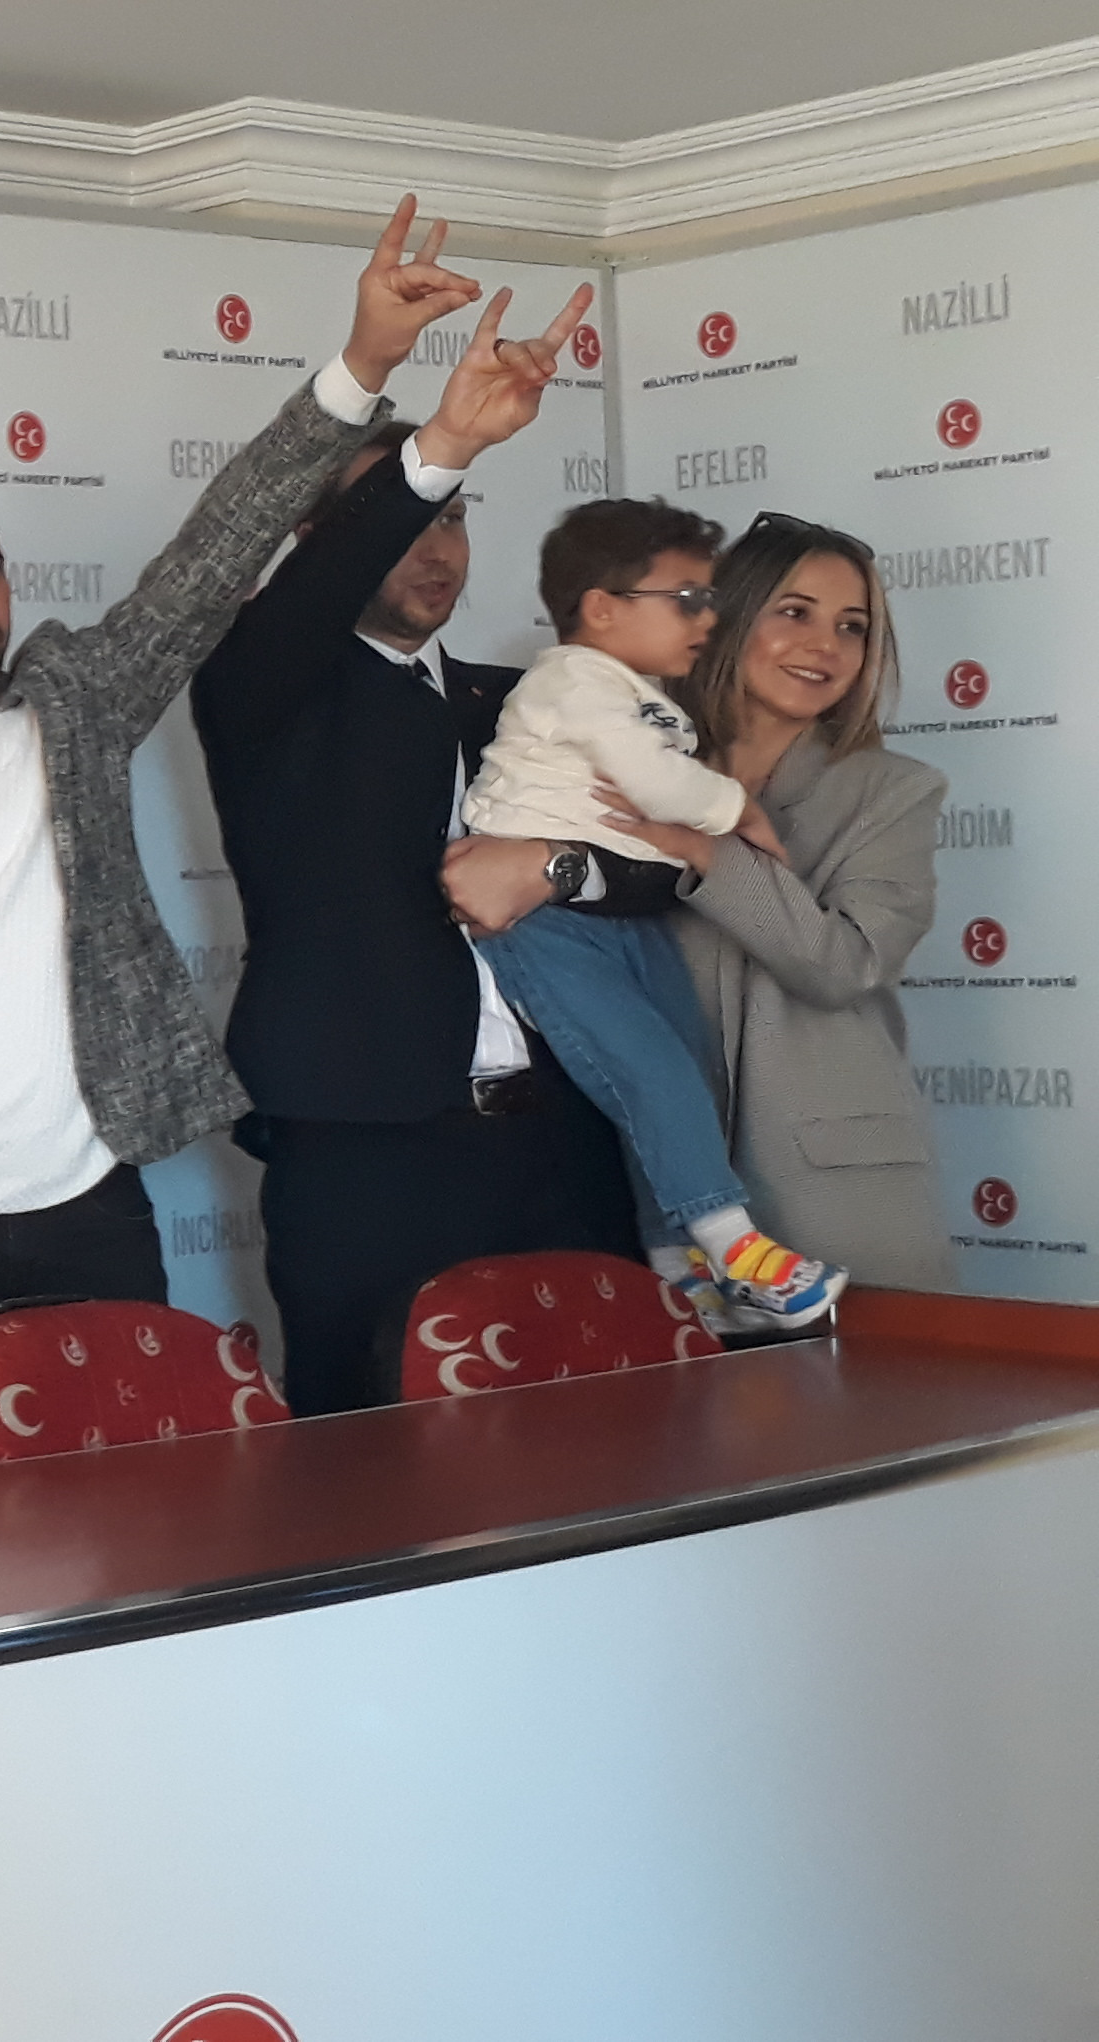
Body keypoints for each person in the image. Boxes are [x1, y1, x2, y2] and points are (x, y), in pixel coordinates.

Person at [0, 202, 524, 1479]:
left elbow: (219, 547)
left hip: (91, 1212)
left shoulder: (71, 706)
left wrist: (366, 364)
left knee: (136, 1524)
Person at [193, 228, 647, 1414]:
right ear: (322, 548)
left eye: (452, 518)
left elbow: (657, 869)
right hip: (365, 1145)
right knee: (367, 1459)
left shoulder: (529, 702)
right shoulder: (263, 685)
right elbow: (307, 600)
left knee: (610, 1438)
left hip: (565, 1133)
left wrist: (558, 868)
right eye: (403, 523)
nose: (436, 547)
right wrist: (444, 445)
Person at [454, 501, 848, 1328]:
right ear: (602, 607)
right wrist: (738, 808)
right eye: (688, 599)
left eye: (711, 599)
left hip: (623, 919)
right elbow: (656, 785)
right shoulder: (574, 679)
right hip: (548, 927)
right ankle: (738, 1248)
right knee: (650, 1073)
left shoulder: (638, 694)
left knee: (684, 1072)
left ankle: (680, 1269)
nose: (708, 619)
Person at [597, 514, 948, 1287]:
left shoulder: (893, 791)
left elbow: (845, 966)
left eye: (852, 627)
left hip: (836, 1198)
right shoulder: (635, 770)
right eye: (795, 612)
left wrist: (705, 849)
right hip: (654, 1189)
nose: (826, 645)